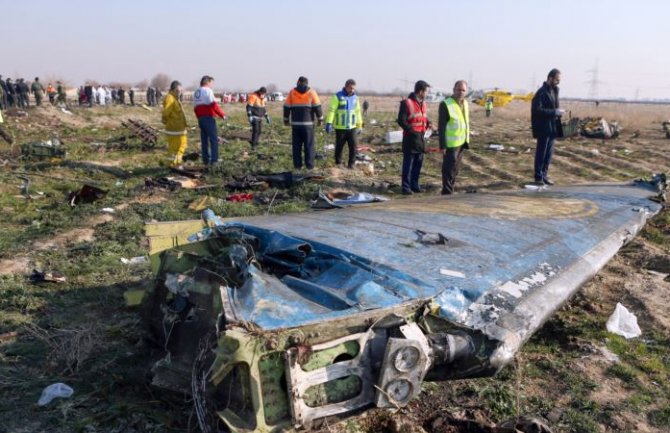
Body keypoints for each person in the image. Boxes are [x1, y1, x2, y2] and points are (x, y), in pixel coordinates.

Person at [397, 80, 432, 194]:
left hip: (421, 138)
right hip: (410, 139)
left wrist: (429, 123)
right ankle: (406, 188)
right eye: (426, 91)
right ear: (421, 91)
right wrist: (411, 131)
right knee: (409, 164)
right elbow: (401, 120)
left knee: (418, 164)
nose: (427, 93)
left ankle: (415, 185)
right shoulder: (407, 103)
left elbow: (422, 118)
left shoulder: (423, 103)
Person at [531, 68, 564, 185]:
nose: (558, 82)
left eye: (559, 80)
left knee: (548, 154)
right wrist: (554, 112)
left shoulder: (554, 91)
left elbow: (554, 108)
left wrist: (558, 113)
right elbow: (537, 110)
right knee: (541, 152)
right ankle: (538, 176)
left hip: (552, 127)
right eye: (557, 80)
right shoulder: (541, 92)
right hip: (543, 127)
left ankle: (544, 174)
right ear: (550, 78)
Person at [284, 76, 323, 170]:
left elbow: (286, 107)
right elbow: (317, 107)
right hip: (308, 125)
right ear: (307, 83)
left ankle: (297, 166)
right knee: (309, 146)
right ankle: (310, 166)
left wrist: (286, 120)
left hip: (296, 125)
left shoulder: (292, 92)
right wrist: (320, 119)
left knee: (296, 146)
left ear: (298, 82)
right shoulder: (312, 92)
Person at [439, 80, 470, 195]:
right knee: (448, 169)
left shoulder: (465, 104)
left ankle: (450, 189)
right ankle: (446, 192)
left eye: (463, 90)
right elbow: (441, 127)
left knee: (455, 169)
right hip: (450, 144)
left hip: (461, 141)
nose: (461, 92)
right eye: (459, 90)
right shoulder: (446, 104)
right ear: (454, 90)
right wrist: (442, 145)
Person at [325, 79, 363, 169]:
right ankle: (338, 164)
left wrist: (360, 125)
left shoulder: (355, 98)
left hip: (352, 127)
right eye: (350, 88)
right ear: (346, 86)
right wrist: (329, 123)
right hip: (340, 128)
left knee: (353, 146)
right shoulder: (337, 96)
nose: (352, 90)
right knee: (339, 146)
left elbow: (358, 112)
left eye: (354, 88)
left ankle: (351, 164)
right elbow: (332, 111)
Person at [193, 75, 226, 166]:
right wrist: (222, 115)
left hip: (201, 118)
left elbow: (195, 108)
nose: (212, 85)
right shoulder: (208, 91)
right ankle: (214, 160)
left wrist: (199, 117)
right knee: (214, 139)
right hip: (208, 117)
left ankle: (205, 160)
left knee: (204, 140)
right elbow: (213, 104)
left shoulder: (196, 92)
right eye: (212, 83)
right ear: (207, 82)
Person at [162, 80, 188, 168]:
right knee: (174, 148)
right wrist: (166, 121)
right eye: (177, 91)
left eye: (180, 91)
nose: (179, 93)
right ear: (172, 90)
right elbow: (166, 112)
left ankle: (177, 162)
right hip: (174, 129)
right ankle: (171, 164)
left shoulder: (175, 98)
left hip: (180, 129)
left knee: (183, 145)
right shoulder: (170, 98)